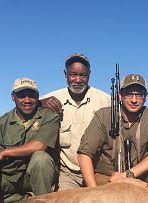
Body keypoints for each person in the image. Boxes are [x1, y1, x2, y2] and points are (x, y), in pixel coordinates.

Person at [77, 73, 148, 191]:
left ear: (146, 97)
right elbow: (83, 154)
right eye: (129, 94)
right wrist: (93, 192)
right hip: (108, 178)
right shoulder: (103, 115)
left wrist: (127, 175)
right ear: (120, 95)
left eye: (139, 95)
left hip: (140, 176)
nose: (134, 100)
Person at [40, 53, 110, 190]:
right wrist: (39, 103)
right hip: (68, 174)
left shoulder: (105, 100)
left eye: (83, 75)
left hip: (97, 171)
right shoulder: (51, 99)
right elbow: (24, 106)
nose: (78, 80)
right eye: (73, 74)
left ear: (89, 74)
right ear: (65, 74)